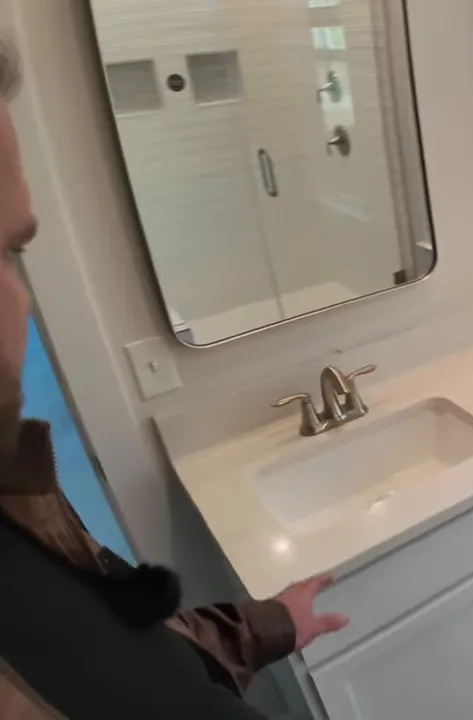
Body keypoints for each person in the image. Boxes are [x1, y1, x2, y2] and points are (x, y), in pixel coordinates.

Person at [0, 44, 349, 719]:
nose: (22, 299)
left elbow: (122, 652)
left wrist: (267, 625)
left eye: (12, 251)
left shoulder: (19, 506)